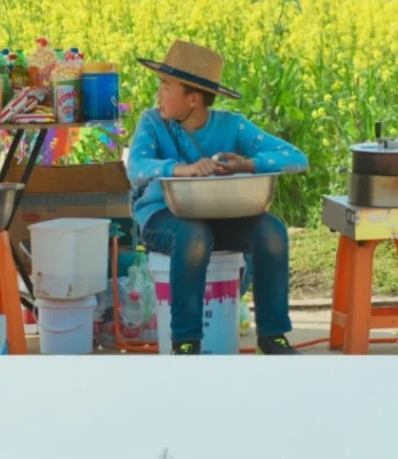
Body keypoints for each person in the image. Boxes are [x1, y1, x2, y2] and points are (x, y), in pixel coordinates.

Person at [126, 40, 308, 356]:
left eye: (167, 86)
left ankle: (272, 338)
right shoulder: (152, 122)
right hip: (164, 218)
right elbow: (137, 168)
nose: (159, 94)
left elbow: (295, 158)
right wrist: (182, 169)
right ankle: (185, 343)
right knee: (194, 235)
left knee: (272, 233)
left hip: (220, 216)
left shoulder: (231, 125)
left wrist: (248, 164)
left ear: (193, 99)